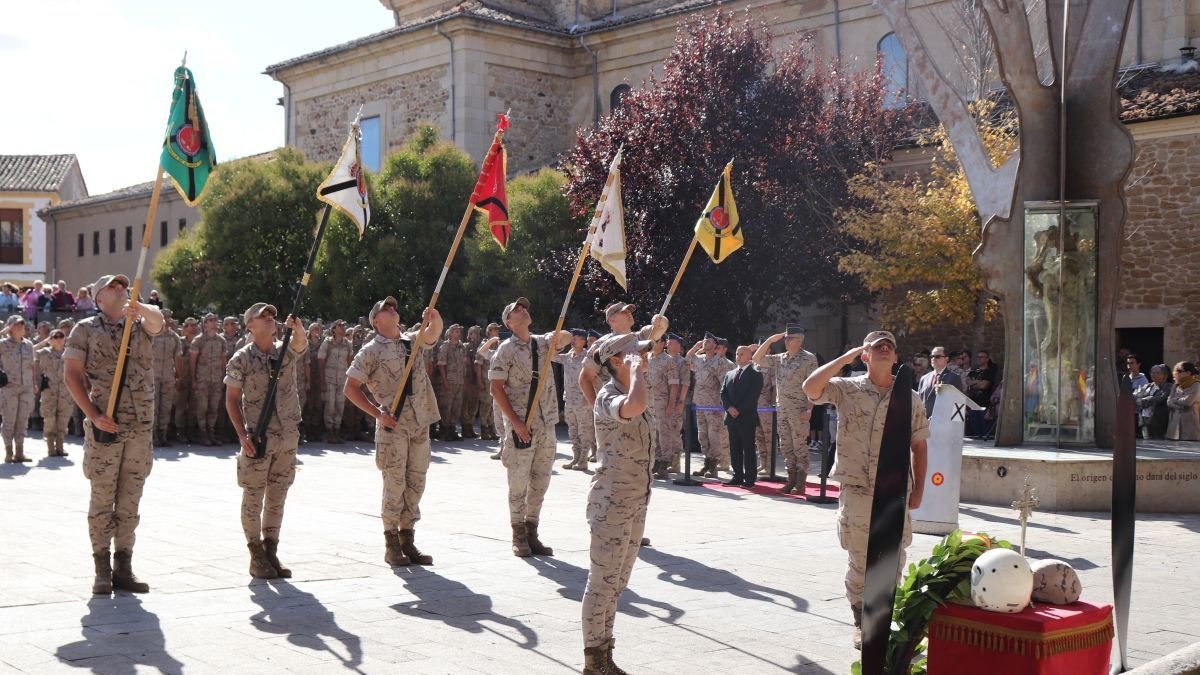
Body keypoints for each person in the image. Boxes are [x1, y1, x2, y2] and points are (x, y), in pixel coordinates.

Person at [802, 330, 929, 649]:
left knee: (893, 560)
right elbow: (811, 388)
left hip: (895, 490)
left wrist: (919, 491)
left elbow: (920, 447)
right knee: (861, 560)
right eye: (876, 347)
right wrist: (844, 359)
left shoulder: (909, 398)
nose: (884, 350)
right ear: (866, 355)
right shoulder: (848, 389)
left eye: (889, 347)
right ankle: (861, 620)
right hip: (858, 489)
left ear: (896, 357)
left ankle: (884, 620)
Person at [64, 274, 165, 594]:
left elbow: (158, 322)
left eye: (124, 287)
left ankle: (124, 565)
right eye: (114, 288)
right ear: (98, 297)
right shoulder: (85, 330)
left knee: (130, 499)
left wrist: (141, 308)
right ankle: (101, 568)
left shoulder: (138, 323)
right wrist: (93, 416)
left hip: (140, 426)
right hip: (107, 425)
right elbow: (71, 376)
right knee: (102, 498)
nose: (122, 291)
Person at [343, 298, 442, 567]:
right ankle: (391, 544)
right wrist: (378, 413)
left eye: (393, 307)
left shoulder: (412, 340)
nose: (392, 309)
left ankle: (408, 539)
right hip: (393, 425)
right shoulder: (370, 351)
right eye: (386, 309)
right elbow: (350, 387)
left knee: (416, 483)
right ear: (376, 321)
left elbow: (432, 334)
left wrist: (434, 316)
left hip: (419, 422)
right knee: (394, 484)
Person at [580, 333, 653, 675]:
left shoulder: (631, 388)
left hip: (635, 501)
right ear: (617, 361)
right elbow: (635, 408)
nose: (642, 356)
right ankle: (594, 661)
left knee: (617, 584)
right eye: (634, 353)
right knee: (602, 583)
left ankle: (606, 655)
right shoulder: (609, 396)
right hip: (611, 502)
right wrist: (637, 373)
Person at [225, 303, 307, 579]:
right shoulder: (241, 359)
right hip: (259, 436)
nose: (270, 318)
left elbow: (300, 344)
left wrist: (298, 328)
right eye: (263, 316)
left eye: (272, 315)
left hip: (287, 434)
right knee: (253, 496)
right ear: (250, 325)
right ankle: (255, 554)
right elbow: (232, 400)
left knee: (277, 496)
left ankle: (271, 551)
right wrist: (242, 435)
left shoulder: (284, 352)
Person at [488, 297, 570, 557]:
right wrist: (515, 422)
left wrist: (560, 335)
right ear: (509, 323)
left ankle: (532, 530)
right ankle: (518, 534)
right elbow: (496, 388)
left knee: (541, 481)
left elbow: (566, 338)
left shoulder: (542, 343)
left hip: (546, 424)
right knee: (519, 481)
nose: (523, 310)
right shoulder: (505, 350)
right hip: (522, 424)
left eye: (524, 307)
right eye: (516, 310)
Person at [753, 325, 820, 494]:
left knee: (799, 446)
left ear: (800, 340)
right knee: (785, 446)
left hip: (799, 410)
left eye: (791, 338)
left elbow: (814, 385)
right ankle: (791, 479)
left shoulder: (809, 359)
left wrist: (809, 409)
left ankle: (800, 482)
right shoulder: (779, 358)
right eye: (786, 338)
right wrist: (770, 340)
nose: (787, 341)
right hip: (782, 409)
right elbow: (757, 358)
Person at [686, 333, 735, 478]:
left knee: (714, 435)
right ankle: (707, 463)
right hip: (699, 403)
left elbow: (724, 384)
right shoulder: (700, 360)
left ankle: (713, 465)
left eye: (708, 341)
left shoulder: (720, 362)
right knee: (702, 435)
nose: (705, 343)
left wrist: (723, 404)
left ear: (715, 346)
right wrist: (696, 346)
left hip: (714, 405)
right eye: (704, 340)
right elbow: (687, 359)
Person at [720, 344, 764, 487]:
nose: (738, 356)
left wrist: (738, 409)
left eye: (742, 354)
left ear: (750, 356)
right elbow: (723, 393)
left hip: (746, 417)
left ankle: (749, 479)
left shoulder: (756, 374)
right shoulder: (729, 374)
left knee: (748, 449)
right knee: (734, 448)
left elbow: (753, 396)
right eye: (737, 354)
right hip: (731, 417)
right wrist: (729, 408)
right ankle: (737, 476)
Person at [554, 329, 594, 471]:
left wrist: (589, 398)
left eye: (576, 338)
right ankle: (576, 457)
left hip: (583, 401)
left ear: (583, 341)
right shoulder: (568, 356)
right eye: (572, 338)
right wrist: (559, 342)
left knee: (584, 431)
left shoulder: (588, 357)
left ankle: (583, 459)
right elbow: (551, 356)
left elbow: (594, 378)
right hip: (569, 400)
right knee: (573, 430)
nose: (573, 340)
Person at [0, 316, 36, 461]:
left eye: (22, 324)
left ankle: (19, 452)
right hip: (9, 387)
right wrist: (3, 331)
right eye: (16, 325)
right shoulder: (3, 344)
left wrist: (34, 384)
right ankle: (9, 452)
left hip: (26, 387)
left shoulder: (28, 345)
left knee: (22, 420)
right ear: (10, 327)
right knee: (9, 419)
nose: (20, 326)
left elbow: (31, 366)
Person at [647, 335, 681, 479]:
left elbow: (674, 384)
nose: (653, 344)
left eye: (656, 342)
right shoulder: (647, 358)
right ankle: (655, 460)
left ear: (663, 344)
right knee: (652, 433)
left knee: (664, 433)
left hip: (662, 402)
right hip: (648, 403)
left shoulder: (669, 361)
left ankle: (664, 463)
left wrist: (671, 404)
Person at [189, 314, 227, 446]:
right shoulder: (198, 340)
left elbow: (223, 362)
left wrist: (224, 378)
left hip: (216, 379)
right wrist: (193, 379)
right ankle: (202, 434)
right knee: (202, 408)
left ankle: (211, 433)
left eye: (215, 320)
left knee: (214, 408)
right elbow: (193, 362)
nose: (214, 323)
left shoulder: (221, 340)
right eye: (210, 321)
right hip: (202, 379)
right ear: (205, 324)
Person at [35, 327, 72, 457]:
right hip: (49, 391)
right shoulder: (44, 353)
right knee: (49, 420)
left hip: (65, 392)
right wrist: (45, 341)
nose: (58, 339)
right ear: (50, 340)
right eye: (54, 337)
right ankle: (51, 447)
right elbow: (29, 350)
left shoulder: (69, 353)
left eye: (60, 336)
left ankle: (60, 447)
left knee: (63, 420)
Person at [151, 310, 184, 447]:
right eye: (165, 316)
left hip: (168, 376)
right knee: (153, 407)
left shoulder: (174, 337)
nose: (168, 319)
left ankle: (162, 435)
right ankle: (153, 436)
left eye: (169, 317)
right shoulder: (151, 334)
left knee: (166, 406)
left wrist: (179, 376)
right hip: (152, 376)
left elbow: (178, 357)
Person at [319, 320, 353, 443]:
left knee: (340, 405)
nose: (344, 327)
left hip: (342, 379)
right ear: (334, 329)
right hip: (329, 379)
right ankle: (329, 431)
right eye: (340, 325)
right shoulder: (327, 343)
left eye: (344, 325)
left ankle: (337, 430)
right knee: (330, 405)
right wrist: (322, 381)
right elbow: (321, 362)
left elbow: (350, 363)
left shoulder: (348, 344)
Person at [436, 323, 467, 441]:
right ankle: (444, 429)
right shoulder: (445, 347)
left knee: (456, 406)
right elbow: (441, 365)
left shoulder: (462, 347)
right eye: (456, 331)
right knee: (446, 406)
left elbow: (464, 366)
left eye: (459, 332)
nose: (458, 334)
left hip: (459, 381)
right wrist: (445, 381)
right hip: (449, 381)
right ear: (450, 333)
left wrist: (463, 381)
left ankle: (452, 429)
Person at [917, 346, 964, 418]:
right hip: (924, 423)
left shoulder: (953, 378)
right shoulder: (924, 378)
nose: (933, 359)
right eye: (932, 356)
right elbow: (919, 401)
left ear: (946, 359)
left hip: (943, 422)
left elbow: (958, 402)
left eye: (937, 356)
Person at [1134, 364, 1172, 440]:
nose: (1154, 374)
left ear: (1165, 375)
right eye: (1152, 372)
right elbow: (1136, 398)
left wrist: (1150, 399)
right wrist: (1147, 400)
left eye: (1157, 373)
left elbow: (1161, 399)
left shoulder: (1169, 387)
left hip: (1160, 421)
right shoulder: (1147, 386)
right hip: (1145, 421)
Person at [966, 351, 998, 437]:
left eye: (982, 357)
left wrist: (974, 383)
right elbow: (968, 383)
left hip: (985, 403)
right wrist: (978, 382)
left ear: (987, 359)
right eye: (978, 357)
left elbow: (984, 386)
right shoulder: (973, 372)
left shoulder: (989, 372)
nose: (979, 359)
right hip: (973, 403)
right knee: (974, 429)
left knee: (984, 429)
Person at [1166, 362, 1200, 441]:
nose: (1176, 373)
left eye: (1179, 371)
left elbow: (1188, 402)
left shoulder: (1196, 384)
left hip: (1189, 422)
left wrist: (1175, 400)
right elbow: (1169, 401)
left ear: (1188, 373)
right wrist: (1178, 404)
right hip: (1174, 423)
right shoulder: (1176, 385)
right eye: (1175, 370)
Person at [460, 325, 483, 439]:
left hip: (476, 379)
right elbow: (464, 362)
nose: (475, 336)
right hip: (467, 379)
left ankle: (470, 426)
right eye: (473, 333)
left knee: (474, 404)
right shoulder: (465, 346)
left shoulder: (480, 347)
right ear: (469, 335)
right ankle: (465, 428)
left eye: (477, 333)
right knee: (466, 404)